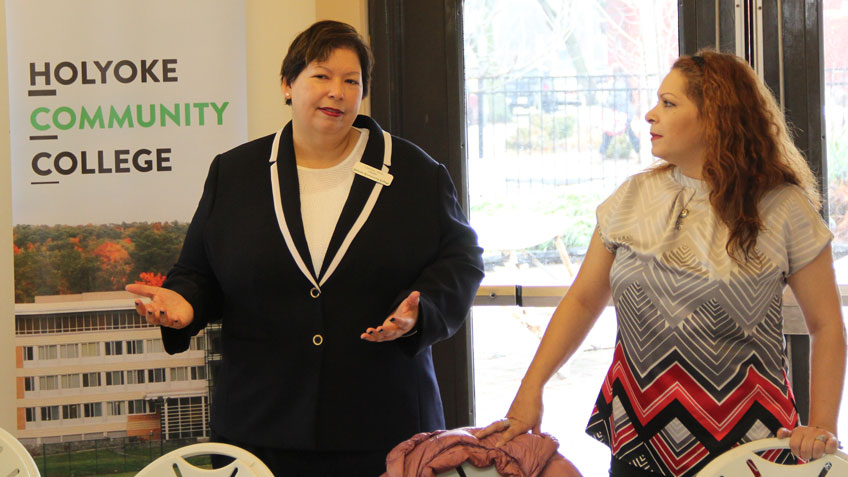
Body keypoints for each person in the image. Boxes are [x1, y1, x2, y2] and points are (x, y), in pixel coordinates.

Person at [126, 20, 484, 476]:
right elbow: (199, 272)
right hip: (260, 430)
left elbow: (462, 260)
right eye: (321, 76)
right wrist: (185, 306)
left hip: (384, 427)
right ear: (287, 85)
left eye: (351, 81)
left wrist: (422, 311)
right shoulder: (235, 174)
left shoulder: (415, 173)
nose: (336, 92)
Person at [476, 50, 846, 476]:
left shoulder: (784, 207)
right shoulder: (631, 197)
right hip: (639, 439)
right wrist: (531, 388)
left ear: (716, 117)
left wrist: (821, 426)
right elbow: (582, 301)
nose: (650, 115)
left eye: (669, 104)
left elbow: (826, 325)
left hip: (750, 448)